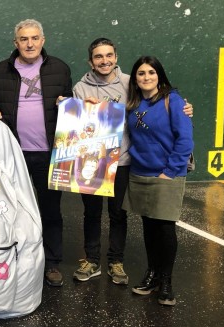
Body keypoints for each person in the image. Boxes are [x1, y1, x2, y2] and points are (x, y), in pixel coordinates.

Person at [71, 38, 194, 285]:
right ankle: (92, 260)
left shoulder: (131, 82)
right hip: (92, 161)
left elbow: (155, 102)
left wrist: (185, 107)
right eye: (98, 57)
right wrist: (76, 108)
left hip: (124, 160)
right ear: (90, 61)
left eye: (109, 55)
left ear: (116, 57)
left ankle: (116, 262)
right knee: (92, 213)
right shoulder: (80, 88)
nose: (104, 61)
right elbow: (74, 124)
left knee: (118, 215)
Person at [0, 19, 72, 287]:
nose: (30, 43)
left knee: (50, 210)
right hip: (13, 155)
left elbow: (70, 103)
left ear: (43, 40)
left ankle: (52, 263)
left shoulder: (60, 68)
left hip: (49, 154)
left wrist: (67, 103)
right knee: (12, 211)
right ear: (16, 43)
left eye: (34, 38)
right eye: (24, 39)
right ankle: (14, 261)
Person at [123, 56, 193, 306]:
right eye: (141, 73)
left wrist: (170, 171)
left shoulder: (173, 101)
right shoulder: (133, 101)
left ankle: (166, 281)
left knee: (164, 229)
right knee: (149, 228)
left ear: (159, 75)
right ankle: (151, 275)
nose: (146, 77)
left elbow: (185, 140)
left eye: (151, 72)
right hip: (140, 172)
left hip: (166, 174)